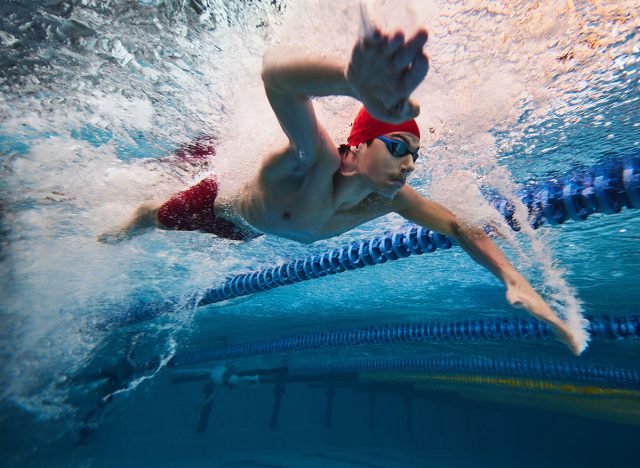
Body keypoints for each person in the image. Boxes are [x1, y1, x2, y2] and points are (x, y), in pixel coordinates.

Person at [99, 27, 583, 355]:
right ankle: (127, 222)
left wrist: (512, 279)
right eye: (397, 146)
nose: (408, 163)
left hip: (246, 233)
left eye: (415, 154)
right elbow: (277, 79)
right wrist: (350, 82)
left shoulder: (386, 198)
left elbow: (458, 225)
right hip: (214, 206)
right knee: (150, 215)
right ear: (356, 147)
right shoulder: (315, 160)